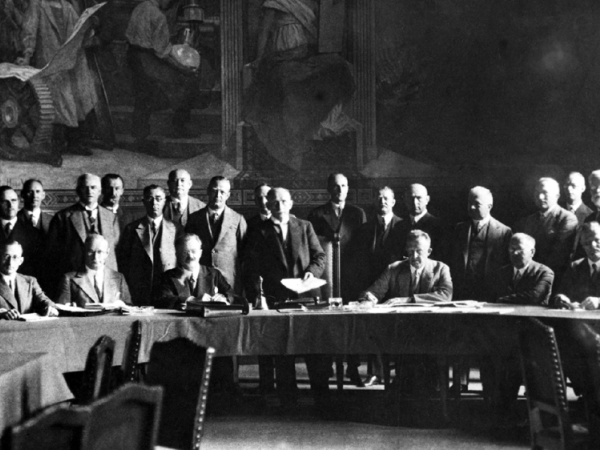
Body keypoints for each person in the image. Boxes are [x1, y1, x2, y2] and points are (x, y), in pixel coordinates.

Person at [244, 0, 355, 171]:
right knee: (287, 85)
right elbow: (264, 32)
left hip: (303, 57)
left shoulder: (309, 5)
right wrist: (259, 59)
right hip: (280, 59)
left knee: (338, 66)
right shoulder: (275, 2)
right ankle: (294, 146)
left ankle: (326, 119)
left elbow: (319, 35)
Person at [245, 187, 328, 408]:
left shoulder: (305, 226)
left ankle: (322, 400)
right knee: (283, 350)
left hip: (307, 295)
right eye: (274, 202)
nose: (279, 206)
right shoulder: (258, 231)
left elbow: (319, 256)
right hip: (276, 297)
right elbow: (251, 266)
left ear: (291, 203)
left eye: (283, 201)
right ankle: (288, 401)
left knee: (313, 348)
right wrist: (258, 295)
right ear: (268, 205)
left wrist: (312, 272)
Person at [359, 230, 453, 387]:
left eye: (419, 251)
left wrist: (409, 299)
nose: (414, 256)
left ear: (429, 251)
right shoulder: (394, 268)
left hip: (431, 329)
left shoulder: (440, 268)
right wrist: (369, 298)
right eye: (410, 251)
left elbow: (445, 295)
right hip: (401, 331)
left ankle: (420, 382)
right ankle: (403, 382)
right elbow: (372, 291)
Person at [18, 0, 98, 157]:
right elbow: (29, 31)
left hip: (70, 59)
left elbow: (78, 32)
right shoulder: (37, 5)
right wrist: (27, 54)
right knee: (58, 101)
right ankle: (56, 143)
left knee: (78, 97)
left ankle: (75, 142)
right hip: (50, 59)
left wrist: (89, 28)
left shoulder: (67, 7)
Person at [307, 173, 366, 387]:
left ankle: (353, 368)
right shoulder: (316, 213)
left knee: (352, 323)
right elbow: (314, 247)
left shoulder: (357, 213)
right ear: (328, 189)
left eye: (343, 186)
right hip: (328, 277)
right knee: (328, 322)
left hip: (352, 275)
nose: (340, 190)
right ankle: (328, 366)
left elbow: (363, 243)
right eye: (335, 186)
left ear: (348, 188)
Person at [125, 0, 204, 151]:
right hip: (147, 60)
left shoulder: (140, 7)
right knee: (186, 80)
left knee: (142, 95)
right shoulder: (157, 15)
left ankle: (140, 136)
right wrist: (183, 69)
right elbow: (163, 52)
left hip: (133, 56)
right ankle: (178, 126)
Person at [46, 174, 120, 293]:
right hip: (75, 282)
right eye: (85, 187)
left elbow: (114, 249)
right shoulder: (63, 217)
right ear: (78, 190)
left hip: (105, 283)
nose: (89, 191)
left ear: (100, 191)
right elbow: (53, 254)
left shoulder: (111, 217)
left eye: (93, 187)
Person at [118, 185, 180, 306]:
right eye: (149, 198)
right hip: (139, 291)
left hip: (167, 290)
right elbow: (124, 263)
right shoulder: (131, 229)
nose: (154, 203)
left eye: (158, 199)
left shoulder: (176, 229)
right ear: (143, 201)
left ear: (165, 201)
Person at [186, 177, 247, 295]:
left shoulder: (238, 219)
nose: (218, 195)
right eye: (214, 190)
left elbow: (244, 254)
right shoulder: (195, 218)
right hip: (201, 280)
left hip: (229, 281)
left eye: (222, 192)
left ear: (228, 195)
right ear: (208, 191)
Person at [452, 186, 512, 303]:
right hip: (462, 291)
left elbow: (507, 265)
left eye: (477, 204)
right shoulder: (459, 229)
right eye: (469, 203)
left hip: (490, 292)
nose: (471, 207)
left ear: (489, 206)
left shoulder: (504, 231)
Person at [517, 177, 578, 286]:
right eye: (537, 193)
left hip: (553, 279)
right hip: (527, 277)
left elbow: (558, 256)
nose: (540, 197)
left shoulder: (567, 218)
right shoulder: (529, 220)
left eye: (545, 193)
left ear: (557, 196)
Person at [56, 234, 131, 307]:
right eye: (90, 252)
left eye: (100, 252)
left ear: (107, 253)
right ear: (84, 251)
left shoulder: (119, 278)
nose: (95, 257)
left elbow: (129, 308)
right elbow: (61, 309)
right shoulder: (69, 279)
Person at [0, 238, 58, 320]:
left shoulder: (30, 281)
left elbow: (43, 300)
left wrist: (49, 307)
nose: (10, 262)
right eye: (6, 256)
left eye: (15, 257)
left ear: (21, 261)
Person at [492, 233, 554, 305]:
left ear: (532, 252)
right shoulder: (501, 272)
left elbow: (534, 297)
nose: (515, 253)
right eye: (512, 249)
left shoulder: (544, 272)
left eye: (520, 249)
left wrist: (502, 299)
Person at [0, 185, 44, 278]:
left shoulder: (33, 233)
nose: (10, 205)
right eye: (5, 201)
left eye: (13, 200)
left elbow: (38, 267)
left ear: (19, 202)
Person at [399, 184, 448, 263]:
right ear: (405, 200)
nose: (415, 202)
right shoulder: (399, 226)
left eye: (419, 198)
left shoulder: (438, 226)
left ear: (427, 199)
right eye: (411, 198)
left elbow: (441, 257)